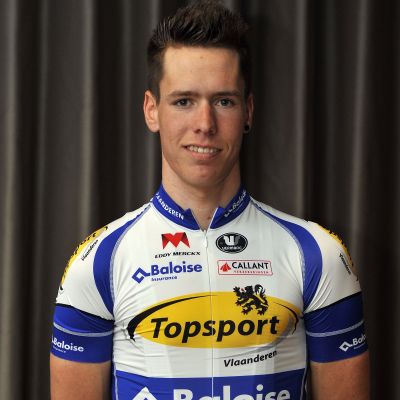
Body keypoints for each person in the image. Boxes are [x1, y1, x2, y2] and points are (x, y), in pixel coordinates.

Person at [50, 1, 370, 399]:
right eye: (184, 101)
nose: (205, 124)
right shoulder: (97, 262)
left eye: (224, 101)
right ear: (152, 110)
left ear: (248, 111)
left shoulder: (318, 255)